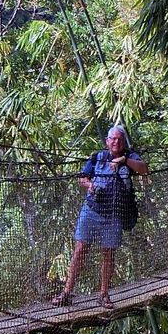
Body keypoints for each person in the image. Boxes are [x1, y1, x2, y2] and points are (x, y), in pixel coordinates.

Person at [52, 125, 148, 308]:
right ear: (107, 141)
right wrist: (89, 186)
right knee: (80, 250)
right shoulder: (98, 157)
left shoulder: (130, 156)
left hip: (114, 215)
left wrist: (123, 160)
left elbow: (144, 169)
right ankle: (66, 293)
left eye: (120, 139)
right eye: (113, 139)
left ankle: (103, 295)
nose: (116, 142)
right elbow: (82, 177)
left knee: (108, 254)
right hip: (92, 210)